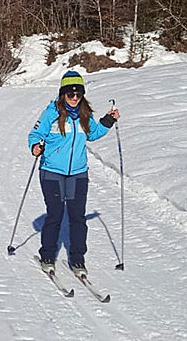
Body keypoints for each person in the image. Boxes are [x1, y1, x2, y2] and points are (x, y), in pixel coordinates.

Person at [27, 70, 120, 277]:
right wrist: (35, 146)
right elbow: (35, 133)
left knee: (77, 217)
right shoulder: (51, 113)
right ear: (63, 94)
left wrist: (108, 120)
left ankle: (78, 259)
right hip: (52, 172)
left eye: (79, 94)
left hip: (78, 173)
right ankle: (48, 255)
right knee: (56, 214)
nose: (75, 98)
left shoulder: (85, 113)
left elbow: (93, 134)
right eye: (71, 94)